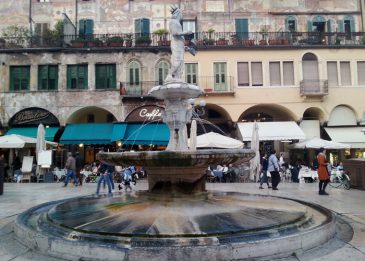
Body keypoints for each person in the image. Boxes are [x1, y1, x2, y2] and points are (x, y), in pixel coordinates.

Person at [165, 6, 196, 82]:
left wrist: (185, 47)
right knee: (177, 60)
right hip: (176, 44)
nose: (182, 15)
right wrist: (186, 32)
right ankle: (169, 75)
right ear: (178, 13)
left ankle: (177, 77)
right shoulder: (173, 22)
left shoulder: (177, 23)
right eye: (181, 13)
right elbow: (175, 33)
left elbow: (179, 35)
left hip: (180, 45)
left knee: (181, 62)